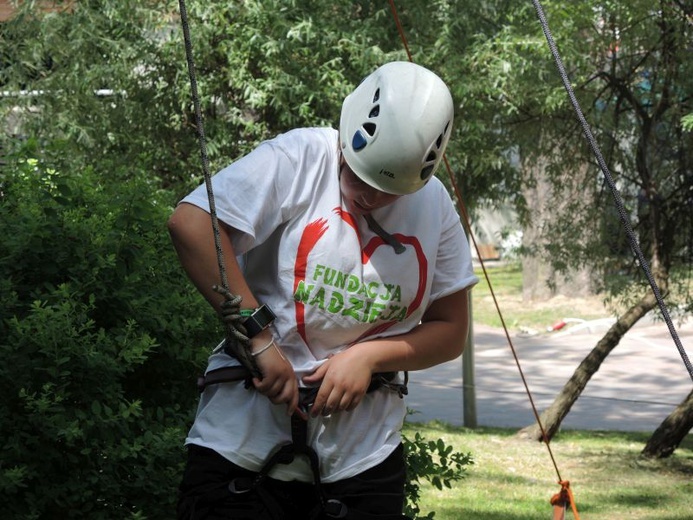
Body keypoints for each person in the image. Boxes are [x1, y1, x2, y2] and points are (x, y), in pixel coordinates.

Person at [169, 61, 478, 520]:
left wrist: (369, 357)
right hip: (239, 449)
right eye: (359, 177)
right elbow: (192, 223)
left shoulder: (433, 205)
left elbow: (451, 330)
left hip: (363, 462)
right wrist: (260, 338)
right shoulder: (300, 158)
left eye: (386, 191)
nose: (369, 198)